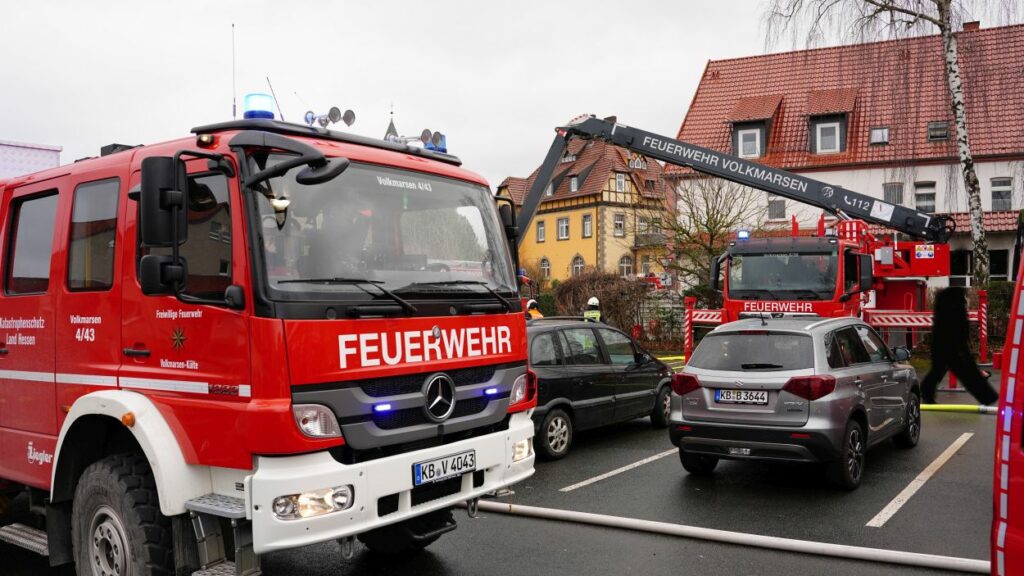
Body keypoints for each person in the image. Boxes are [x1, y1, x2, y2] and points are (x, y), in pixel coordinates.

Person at [921, 287, 998, 405]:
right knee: (967, 371)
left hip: (944, 344)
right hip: (954, 345)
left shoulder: (944, 306)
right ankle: (988, 397)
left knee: (940, 370)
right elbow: (960, 328)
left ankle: (927, 392)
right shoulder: (955, 306)